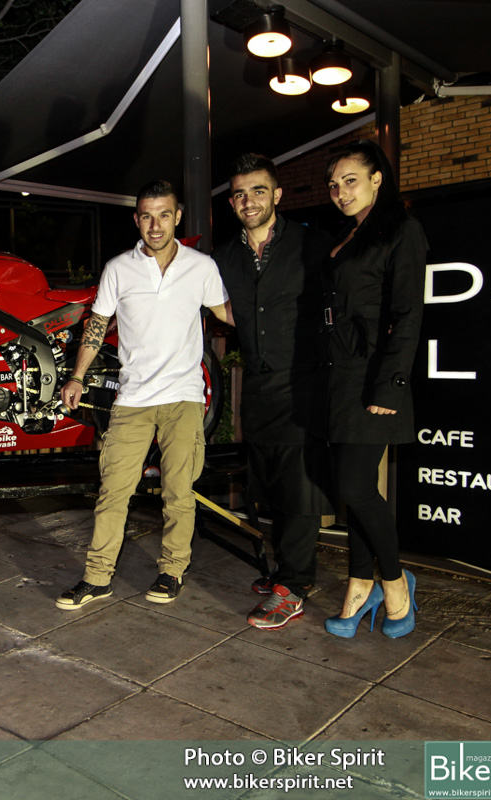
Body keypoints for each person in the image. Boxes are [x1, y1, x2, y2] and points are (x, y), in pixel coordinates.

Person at [56, 180, 230, 610]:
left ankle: (172, 571)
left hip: (184, 397)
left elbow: (229, 313)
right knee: (113, 491)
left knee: (178, 493)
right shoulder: (119, 268)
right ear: (137, 220)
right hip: (132, 399)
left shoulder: (201, 267)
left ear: (177, 217)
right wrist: (77, 377)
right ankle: (97, 578)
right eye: (147, 216)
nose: (156, 225)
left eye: (164, 215)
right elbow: (97, 325)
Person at [216, 154, 334, 630]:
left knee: (300, 484)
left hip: (305, 381)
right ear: (232, 202)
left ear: (277, 195)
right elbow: (220, 307)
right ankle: (287, 567)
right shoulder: (224, 256)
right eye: (240, 194)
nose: (249, 201)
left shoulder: (313, 244)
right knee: (272, 484)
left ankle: (295, 585)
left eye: (259, 191)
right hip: (259, 384)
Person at [320, 139, 428, 639]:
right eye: (334, 184)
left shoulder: (402, 230)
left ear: (377, 178)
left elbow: (408, 315)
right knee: (354, 489)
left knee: (356, 487)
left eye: (351, 180)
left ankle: (396, 583)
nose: (340, 192)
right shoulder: (348, 234)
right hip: (338, 376)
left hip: (373, 377)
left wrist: (391, 386)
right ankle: (359, 588)